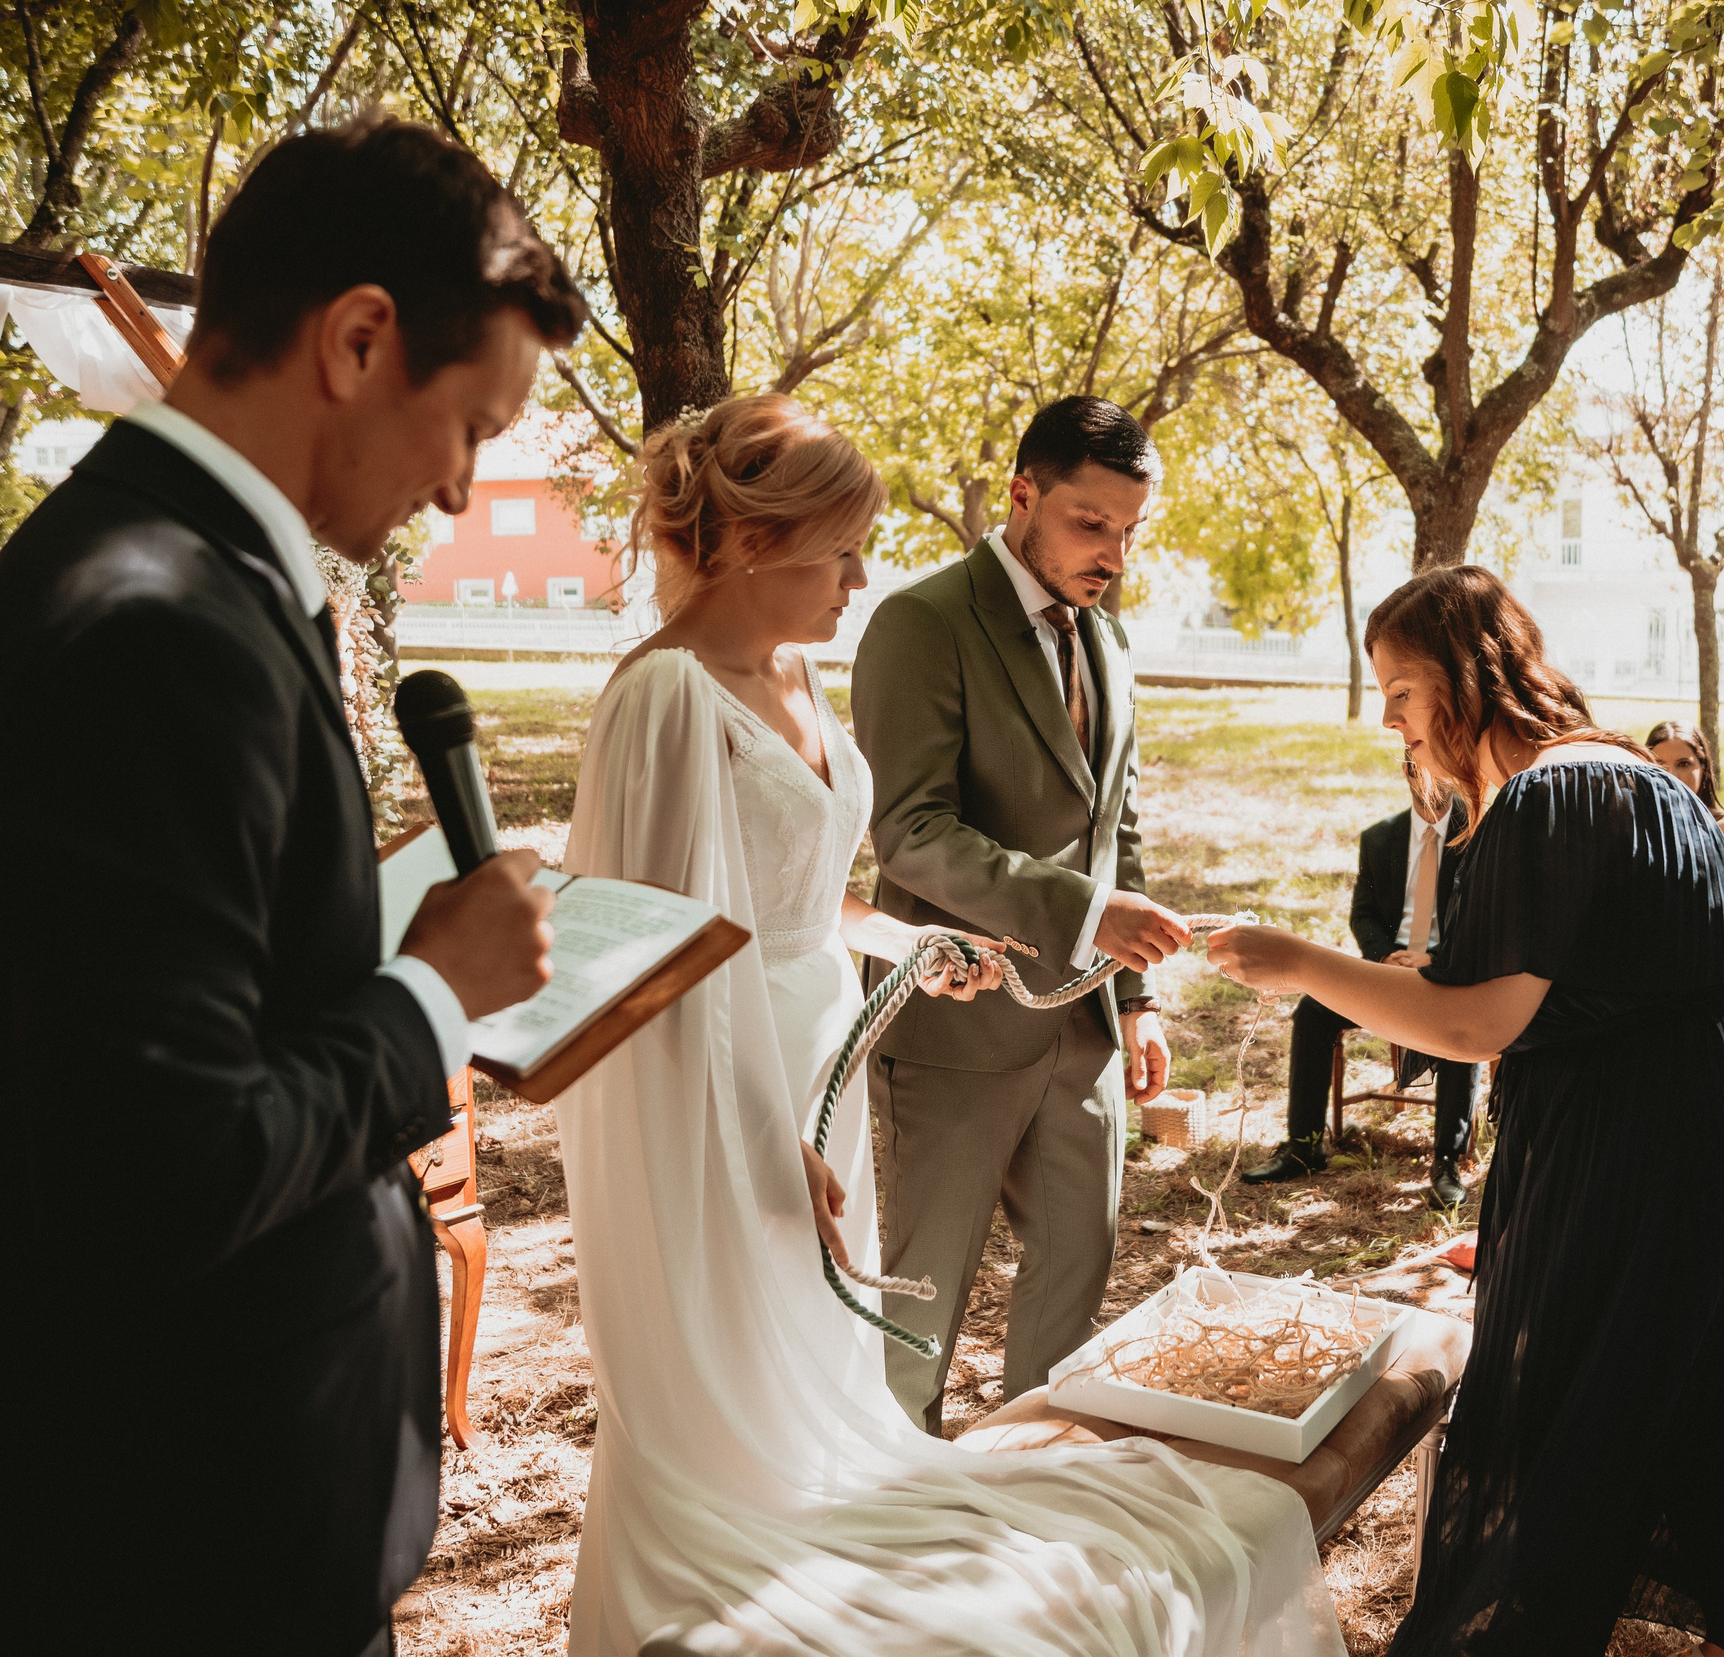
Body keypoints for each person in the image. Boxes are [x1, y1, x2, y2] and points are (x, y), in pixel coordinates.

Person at [0, 121, 574, 1656]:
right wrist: (434, 991)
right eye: (474, 426)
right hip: (135, 1564)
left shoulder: (168, 569)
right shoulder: (153, 632)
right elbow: (159, 1173)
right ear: (362, 337)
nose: (464, 490)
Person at [556, 393, 1340, 1656]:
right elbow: (659, 966)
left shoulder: (796, 669)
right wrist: (765, 1136)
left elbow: (795, 895)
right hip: (716, 1090)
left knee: (822, 1371)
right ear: (755, 540)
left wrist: (907, 939)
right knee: (746, 1380)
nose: (861, 577)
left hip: (818, 1049)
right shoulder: (661, 698)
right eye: (841, 549)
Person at [1209, 566, 1724, 1657]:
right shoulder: (1613, 772)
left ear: (1463, 673)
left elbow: (1472, 1025)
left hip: (1659, 1131)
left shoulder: (1553, 791)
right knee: (1633, 1393)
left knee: (1573, 1400)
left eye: (1397, 689)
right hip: (1705, 1110)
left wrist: (1299, 961)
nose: (1384, 717)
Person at [851, 396, 1190, 1432]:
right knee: (919, 1310)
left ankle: (1024, 1489)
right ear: (1022, 494)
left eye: (1131, 531)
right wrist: (1088, 910)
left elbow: (1113, 828)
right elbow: (909, 828)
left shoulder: (1111, 639)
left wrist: (1134, 999)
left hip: (1083, 1028)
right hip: (955, 1023)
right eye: (1092, 524)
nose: (1114, 555)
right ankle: (888, 1509)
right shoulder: (922, 622)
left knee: (1072, 1285)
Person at [1242, 754, 1478, 1206]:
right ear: (1406, 772)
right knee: (1312, 1011)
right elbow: (1363, 914)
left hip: (1448, 969)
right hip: (1385, 971)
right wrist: (1385, 957)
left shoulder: (1479, 833)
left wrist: (1432, 958)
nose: (1428, 778)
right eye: (1417, 768)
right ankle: (1306, 1144)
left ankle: (1446, 1158)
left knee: (1461, 1020)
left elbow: (1482, 918)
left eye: (1437, 768)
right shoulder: (1381, 838)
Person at [1647, 719, 1724, 908]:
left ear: (1703, 768)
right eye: (1659, 765)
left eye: (1684, 764)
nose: (1671, 776)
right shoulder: (1638, 827)